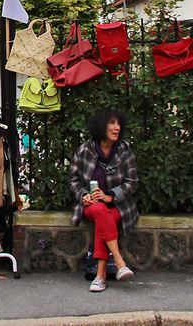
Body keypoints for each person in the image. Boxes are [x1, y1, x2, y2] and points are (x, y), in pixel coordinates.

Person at [69, 109, 138, 293]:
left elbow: (131, 183)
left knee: (103, 218)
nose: (117, 128)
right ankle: (119, 261)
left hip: (118, 207)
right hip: (91, 205)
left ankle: (100, 277)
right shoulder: (84, 150)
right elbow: (74, 179)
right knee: (99, 210)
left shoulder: (124, 151)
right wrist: (83, 194)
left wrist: (110, 196)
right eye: (112, 123)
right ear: (101, 126)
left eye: (118, 124)